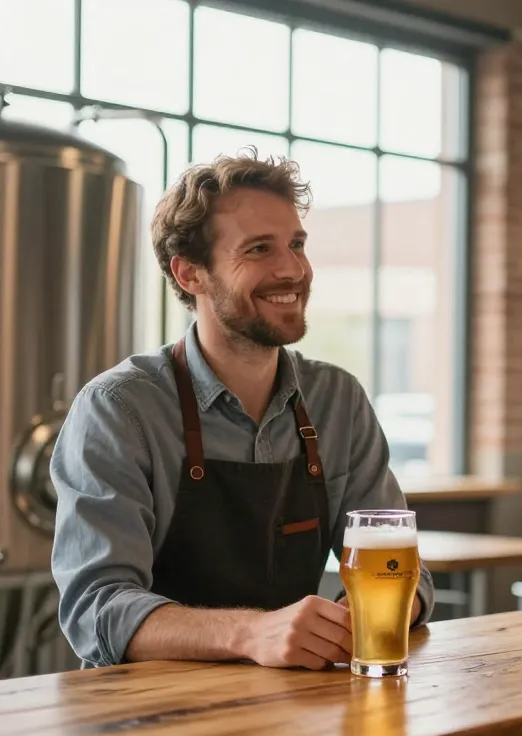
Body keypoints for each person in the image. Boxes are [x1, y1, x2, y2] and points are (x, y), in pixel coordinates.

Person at [50, 148, 434, 671]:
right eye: (259, 249)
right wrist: (251, 633)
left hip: (297, 709)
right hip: (150, 725)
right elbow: (97, 607)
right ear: (191, 275)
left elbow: (405, 572)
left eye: (296, 244)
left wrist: (366, 618)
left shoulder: (338, 401)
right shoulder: (120, 410)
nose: (292, 269)